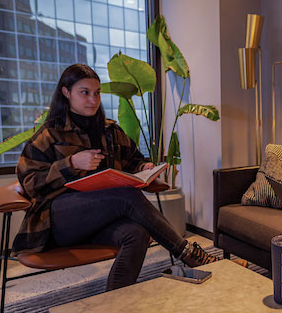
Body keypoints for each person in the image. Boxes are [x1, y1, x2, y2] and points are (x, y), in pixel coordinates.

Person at [12, 64, 230, 291]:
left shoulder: (109, 131)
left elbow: (132, 159)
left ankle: (115, 300)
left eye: (96, 93)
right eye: (84, 92)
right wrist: (71, 164)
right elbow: (30, 184)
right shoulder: (49, 134)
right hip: (59, 223)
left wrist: (144, 166)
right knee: (126, 195)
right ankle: (188, 253)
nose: (93, 100)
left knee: (137, 233)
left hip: (101, 220)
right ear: (66, 93)